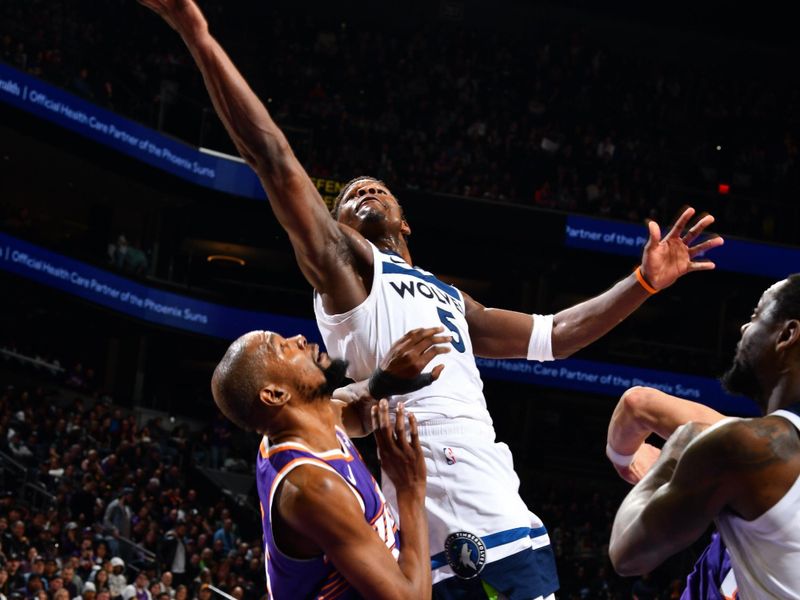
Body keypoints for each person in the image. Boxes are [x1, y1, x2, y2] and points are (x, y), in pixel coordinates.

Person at [138, 1, 723, 596]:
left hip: (505, 505)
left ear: (407, 224)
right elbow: (275, 160)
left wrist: (642, 283)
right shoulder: (348, 276)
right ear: (336, 229)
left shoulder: (449, 297)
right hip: (444, 526)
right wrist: (200, 35)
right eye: (346, 198)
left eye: (378, 186)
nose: (363, 186)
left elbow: (556, 336)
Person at [210, 327, 451, 598]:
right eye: (281, 348)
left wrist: (381, 382)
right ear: (276, 395)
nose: (298, 339)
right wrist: (410, 491)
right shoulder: (313, 488)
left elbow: (351, 409)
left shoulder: (302, 422)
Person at [609, 276, 800, 598]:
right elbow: (637, 404)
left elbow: (627, 555)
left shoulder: (745, 445)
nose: (743, 329)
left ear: (787, 335)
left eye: (756, 316)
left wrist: (674, 452)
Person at [606, 386, 737, 599]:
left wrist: (632, 463)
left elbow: (637, 403)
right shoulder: (767, 450)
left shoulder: (763, 446)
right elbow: (636, 404)